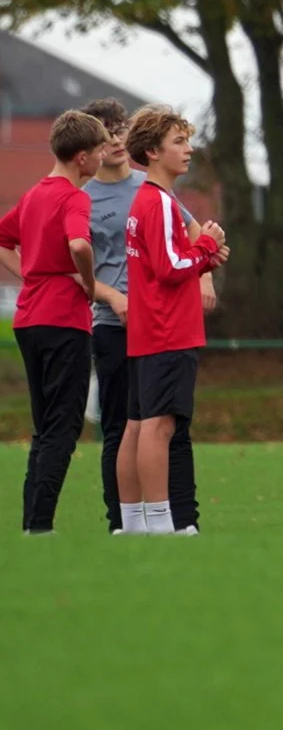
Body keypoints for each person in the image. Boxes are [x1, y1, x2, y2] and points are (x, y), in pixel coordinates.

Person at [80, 99, 195, 533]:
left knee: (159, 426)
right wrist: (112, 297)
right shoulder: (84, 199)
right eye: (104, 130)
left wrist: (203, 277)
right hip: (118, 326)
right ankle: (131, 520)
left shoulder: (151, 191)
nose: (114, 137)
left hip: (154, 321)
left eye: (119, 128)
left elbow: (191, 230)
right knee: (131, 426)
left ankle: (178, 519)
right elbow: (77, 268)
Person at [118, 106, 227, 535]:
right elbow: (170, 267)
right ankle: (161, 523)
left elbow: (166, 261)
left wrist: (202, 256)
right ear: (152, 151)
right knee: (159, 426)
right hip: (167, 329)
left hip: (148, 330)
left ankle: (133, 521)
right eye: (178, 141)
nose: (189, 149)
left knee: (138, 424)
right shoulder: (159, 202)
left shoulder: (146, 201)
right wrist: (206, 250)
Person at [0, 110, 105, 533]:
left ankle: (33, 523)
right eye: (99, 151)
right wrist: (89, 283)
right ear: (82, 157)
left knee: (45, 426)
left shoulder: (33, 196)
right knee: (64, 424)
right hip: (64, 319)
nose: (101, 158)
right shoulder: (74, 197)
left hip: (29, 318)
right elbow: (79, 242)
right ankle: (41, 525)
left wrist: (30, 272)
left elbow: (3, 237)